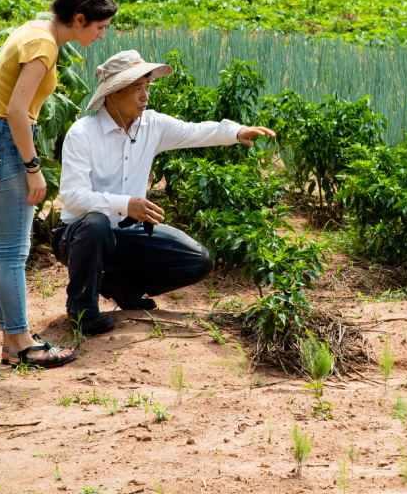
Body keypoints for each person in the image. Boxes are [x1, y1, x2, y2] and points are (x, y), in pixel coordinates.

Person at [52, 50, 275, 335]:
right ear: (112, 93)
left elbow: (195, 131)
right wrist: (126, 204)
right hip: (78, 238)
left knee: (198, 260)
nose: (145, 96)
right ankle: (82, 310)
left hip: (125, 234)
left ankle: (122, 286)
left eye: (146, 88)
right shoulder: (83, 133)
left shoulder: (152, 125)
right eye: (137, 89)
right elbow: (73, 197)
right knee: (96, 224)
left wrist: (236, 132)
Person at [0, 0, 117, 369]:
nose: (102, 36)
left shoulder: (37, 30)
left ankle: (12, 340)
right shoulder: (43, 45)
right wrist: (33, 168)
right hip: (6, 143)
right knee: (14, 252)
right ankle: (22, 344)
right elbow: (17, 111)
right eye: (100, 28)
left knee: (6, 250)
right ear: (80, 19)